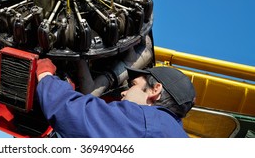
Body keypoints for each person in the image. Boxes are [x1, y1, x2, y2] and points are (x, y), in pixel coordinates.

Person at [35, 58, 196, 138]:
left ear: (155, 90)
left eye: (133, 84)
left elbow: (73, 114)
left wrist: (46, 76)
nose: (123, 93)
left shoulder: (146, 123)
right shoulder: (176, 134)